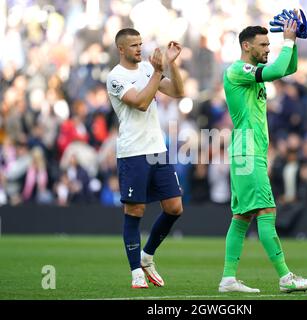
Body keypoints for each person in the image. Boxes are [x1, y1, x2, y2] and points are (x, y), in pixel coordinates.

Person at [219, 16, 307, 293]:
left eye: (269, 44)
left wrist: (293, 43)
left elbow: (289, 68)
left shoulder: (252, 71)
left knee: (241, 217)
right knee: (266, 210)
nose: (268, 49)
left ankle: (228, 278)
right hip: (247, 152)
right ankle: (286, 278)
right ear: (246, 45)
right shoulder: (237, 70)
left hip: (249, 153)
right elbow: (275, 72)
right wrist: (287, 40)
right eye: (263, 44)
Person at [106, 28, 184, 289]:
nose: (139, 48)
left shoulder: (148, 70)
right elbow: (140, 102)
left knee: (174, 208)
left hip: (156, 149)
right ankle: (135, 272)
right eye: (134, 45)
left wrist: (172, 65)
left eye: (140, 44)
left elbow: (176, 92)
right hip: (132, 152)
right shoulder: (115, 78)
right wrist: (159, 71)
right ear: (121, 49)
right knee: (135, 211)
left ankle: (147, 256)